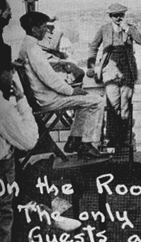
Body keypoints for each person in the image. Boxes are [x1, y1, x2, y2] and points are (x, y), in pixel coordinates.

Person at [19, 11, 106, 158]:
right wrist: (71, 91)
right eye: (43, 27)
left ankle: (74, 141)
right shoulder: (33, 49)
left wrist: (70, 90)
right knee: (97, 101)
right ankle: (85, 144)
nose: (46, 30)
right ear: (34, 29)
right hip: (47, 100)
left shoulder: (26, 46)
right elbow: (49, 78)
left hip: (42, 97)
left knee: (86, 103)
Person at [0, 47, 37, 242]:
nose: (11, 77)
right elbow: (29, 140)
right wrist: (21, 100)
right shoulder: (0, 107)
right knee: (1, 226)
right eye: (9, 72)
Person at [87, 3, 141, 147]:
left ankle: (125, 140)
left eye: (121, 15)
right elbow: (93, 47)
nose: (119, 18)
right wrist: (91, 66)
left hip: (127, 72)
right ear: (110, 16)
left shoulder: (130, 28)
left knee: (125, 107)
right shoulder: (104, 29)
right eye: (115, 15)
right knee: (113, 106)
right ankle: (112, 141)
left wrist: (128, 29)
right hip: (110, 71)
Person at [38, 17, 84, 85]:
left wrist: (61, 54)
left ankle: (73, 84)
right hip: (45, 61)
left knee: (78, 71)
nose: (49, 30)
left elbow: (52, 49)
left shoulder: (57, 33)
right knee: (77, 71)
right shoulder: (38, 34)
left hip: (51, 58)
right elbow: (45, 50)